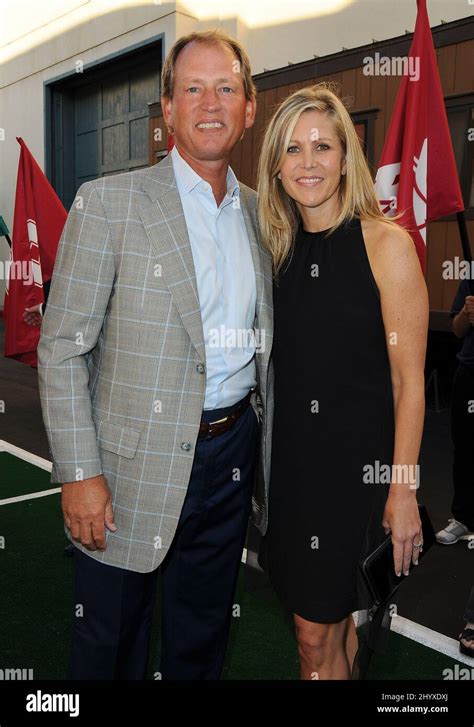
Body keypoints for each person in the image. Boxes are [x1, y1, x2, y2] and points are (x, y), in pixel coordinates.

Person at [37, 29, 274, 680]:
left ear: (249, 109)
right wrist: (79, 472)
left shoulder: (263, 215)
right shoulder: (108, 203)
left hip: (229, 460)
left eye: (226, 88)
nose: (210, 103)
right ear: (166, 108)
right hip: (124, 471)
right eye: (192, 88)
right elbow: (61, 347)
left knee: (200, 644)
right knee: (110, 646)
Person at [255, 83, 429, 680]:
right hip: (289, 478)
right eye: (294, 149)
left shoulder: (387, 246)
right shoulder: (271, 251)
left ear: (346, 157)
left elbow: (411, 384)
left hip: (357, 477)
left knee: (312, 636)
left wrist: (401, 492)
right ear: (276, 166)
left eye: (323, 146)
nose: (309, 163)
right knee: (329, 634)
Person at [436, 280, 474, 544]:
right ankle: (464, 519)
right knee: (465, 447)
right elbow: (457, 331)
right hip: (470, 372)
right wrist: (466, 314)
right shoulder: (471, 279)